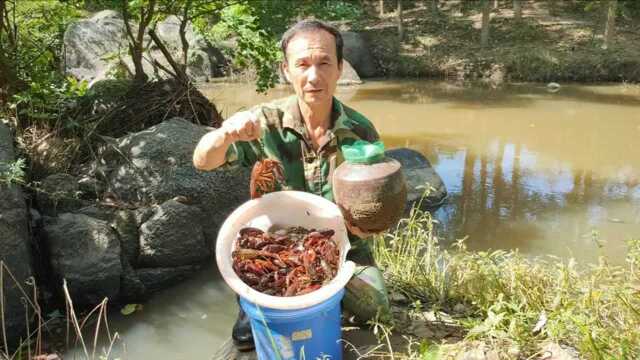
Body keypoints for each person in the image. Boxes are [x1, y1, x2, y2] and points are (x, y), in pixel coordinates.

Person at [193, 19, 390, 351]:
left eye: (324, 62)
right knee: (248, 337)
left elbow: (377, 197)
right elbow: (203, 160)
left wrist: (371, 223)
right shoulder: (262, 122)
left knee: (376, 310)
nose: (314, 76)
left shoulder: (360, 129)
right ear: (286, 70)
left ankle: (328, 296)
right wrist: (225, 133)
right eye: (302, 64)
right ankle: (260, 301)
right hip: (276, 245)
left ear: (341, 68)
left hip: (342, 244)